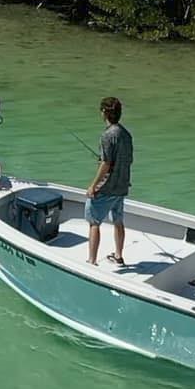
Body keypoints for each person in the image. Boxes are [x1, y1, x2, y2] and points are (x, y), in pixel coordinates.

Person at [85, 96, 133, 266]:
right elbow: (128, 160)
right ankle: (119, 256)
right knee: (118, 221)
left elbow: (106, 164)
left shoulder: (107, 136)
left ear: (104, 112)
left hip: (107, 187)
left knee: (94, 222)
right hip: (122, 186)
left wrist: (93, 186)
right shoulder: (126, 135)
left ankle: (91, 261)